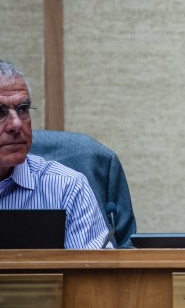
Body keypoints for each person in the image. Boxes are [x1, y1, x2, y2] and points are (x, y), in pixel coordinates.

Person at [0, 60, 112, 248]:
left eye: (23, 109)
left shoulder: (67, 187)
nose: (17, 124)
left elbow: (91, 266)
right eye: (0, 112)